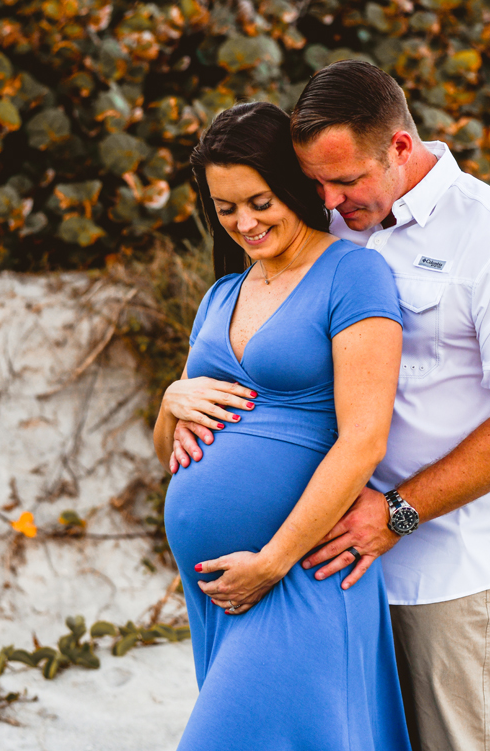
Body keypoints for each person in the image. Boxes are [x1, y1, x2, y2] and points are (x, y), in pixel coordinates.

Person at [169, 62, 490, 751]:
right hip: (330, 561)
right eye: (315, 182)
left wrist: (396, 513)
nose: (328, 198)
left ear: (399, 147)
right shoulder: (338, 227)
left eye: (345, 180)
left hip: (447, 563)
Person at [153, 100, 411, 750]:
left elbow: (363, 440)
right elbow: (172, 453)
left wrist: (274, 560)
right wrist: (169, 402)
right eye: (226, 206)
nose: (244, 222)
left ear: (294, 186)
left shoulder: (353, 275)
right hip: (220, 585)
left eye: (259, 201)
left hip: (301, 572)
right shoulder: (221, 296)